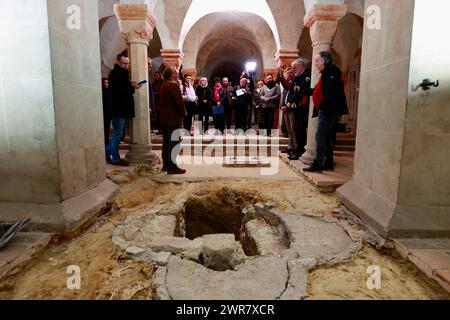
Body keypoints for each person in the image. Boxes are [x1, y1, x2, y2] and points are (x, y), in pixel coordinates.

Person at [304, 51, 348, 173]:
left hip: (329, 110)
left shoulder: (332, 72)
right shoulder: (327, 73)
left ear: (323, 61)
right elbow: (320, 90)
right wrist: (305, 90)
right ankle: (328, 162)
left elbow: (331, 93)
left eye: (317, 61)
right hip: (326, 110)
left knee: (320, 136)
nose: (315, 64)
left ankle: (318, 164)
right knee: (327, 137)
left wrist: (322, 105)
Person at [106, 53, 143, 166]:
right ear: (118, 62)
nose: (126, 65)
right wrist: (132, 87)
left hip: (123, 108)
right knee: (118, 134)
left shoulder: (122, 74)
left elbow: (123, 88)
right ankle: (115, 158)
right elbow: (120, 92)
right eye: (124, 63)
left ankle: (107, 154)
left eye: (127, 63)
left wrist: (130, 85)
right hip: (119, 108)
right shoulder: (116, 73)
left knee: (120, 134)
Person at [277, 58, 312, 160]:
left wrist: (291, 102)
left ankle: (300, 150)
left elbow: (301, 91)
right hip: (295, 107)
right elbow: (290, 88)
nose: (293, 70)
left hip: (302, 107)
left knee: (300, 129)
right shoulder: (298, 77)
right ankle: (297, 149)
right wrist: (281, 78)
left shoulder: (306, 76)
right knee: (296, 129)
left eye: (294, 67)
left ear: (300, 66)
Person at [159, 67, 187, 175]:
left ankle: (166, 165)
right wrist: (183, 113)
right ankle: (172, 167)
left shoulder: (164, 84)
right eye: (176, 72)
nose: (178, 74)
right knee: (174, 142)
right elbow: (179, 102)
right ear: (171, 74)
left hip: (164, 118)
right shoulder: (173, 84)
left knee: (166, 141)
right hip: (172, 117)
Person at [102, 77, 111, 146]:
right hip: (102, 114)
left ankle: (106, 142)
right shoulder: (101, 92)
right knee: (104, 130)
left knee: (107, 130)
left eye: (107, 83)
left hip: (108, 115)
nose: (106, 84)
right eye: (104, 83)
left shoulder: (110, 92)